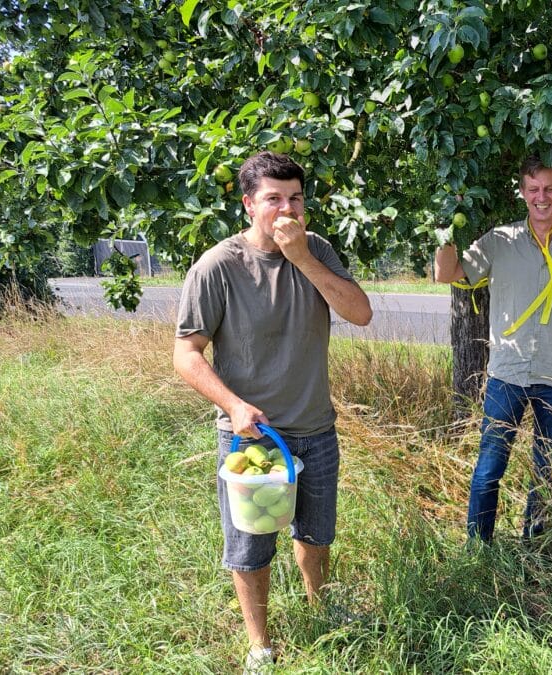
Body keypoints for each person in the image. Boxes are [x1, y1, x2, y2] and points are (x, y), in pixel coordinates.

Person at [173, 151, 372, 672]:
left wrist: (303, 257)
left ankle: (319, 614)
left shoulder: (317, 249)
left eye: (296, 199)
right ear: (248, 204)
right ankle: (259, 643)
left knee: (316, 534)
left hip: (315, 428)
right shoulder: (218, 267)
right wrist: (234, 406)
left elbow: (360, 313)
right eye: (273, 199)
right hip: (251, 437)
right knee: (250, 546)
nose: (287, 210)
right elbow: (185, 354)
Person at [434, 155, 552, 542]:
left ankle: (533, 545)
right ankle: (478, 547)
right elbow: (447, 274)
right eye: (534, 189)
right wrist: (443, 230)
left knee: (546, 469)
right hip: (507, 376)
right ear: (522, 193)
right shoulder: (500, 241)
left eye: (550, 189)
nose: (542, 197)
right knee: (489, 468)